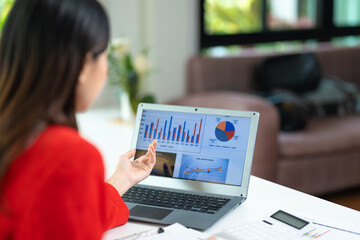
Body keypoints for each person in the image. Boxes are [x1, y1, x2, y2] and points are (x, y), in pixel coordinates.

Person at [0, 0, 157, 239]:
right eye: (104, 56)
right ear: (84, 65)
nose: (105, 69)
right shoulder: (69, 156)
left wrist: (121, 179)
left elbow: (61, 213)